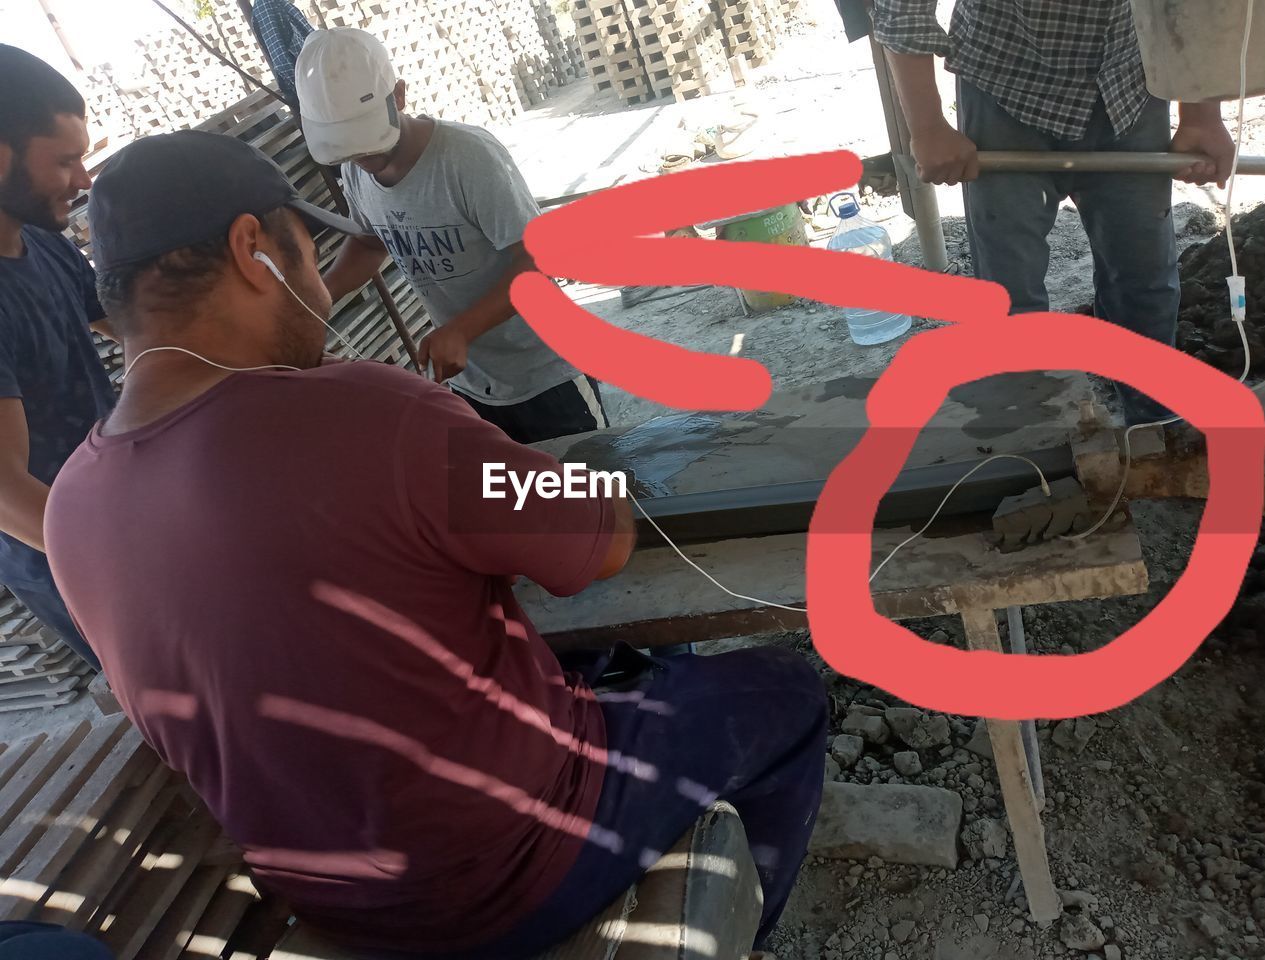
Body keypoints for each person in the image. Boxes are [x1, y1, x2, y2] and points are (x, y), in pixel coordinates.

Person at [45, 129, 828, 959]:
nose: (321, 284)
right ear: (253, 251)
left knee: (595, 671)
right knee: (781, 692)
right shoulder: (366, 413)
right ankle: (742, 927)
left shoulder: (68, 508)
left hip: (331, 901)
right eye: (308, 251)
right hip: (507, 871)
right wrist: (592, 481)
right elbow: (597, 546)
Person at [870, 0, 1237, 425]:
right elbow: (901, 8)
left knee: (1145, 282)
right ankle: (1033, 443)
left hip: (1129, 86)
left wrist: (1201, 113)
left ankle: (1153, 428)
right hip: (1007, 87)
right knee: (1009, 294)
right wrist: (928, 127)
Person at [296, 28, 609, 444]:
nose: (363, 160)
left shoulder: (466, 158)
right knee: (516, 498)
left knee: (589, 490)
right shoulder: (356, 171)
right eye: (350, 150)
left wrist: (461, 329)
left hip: (545, 373)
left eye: (369, 145)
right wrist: (318, 299)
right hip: (472, 382)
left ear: (400, 96)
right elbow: (370, 241)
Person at [0, 45, 112, 673]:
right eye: (65, 160)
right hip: (71, 558)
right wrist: (125, 555)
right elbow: (4, 489)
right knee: (184, 702)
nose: (84, 180)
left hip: (116, 503)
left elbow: (129, 325)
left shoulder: (42, 241)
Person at [237, 0, 314, 111]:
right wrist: (303, 87)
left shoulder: (278, 2)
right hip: (306, 85)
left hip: (313, 77)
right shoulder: (265, 6)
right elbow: (280, 57)